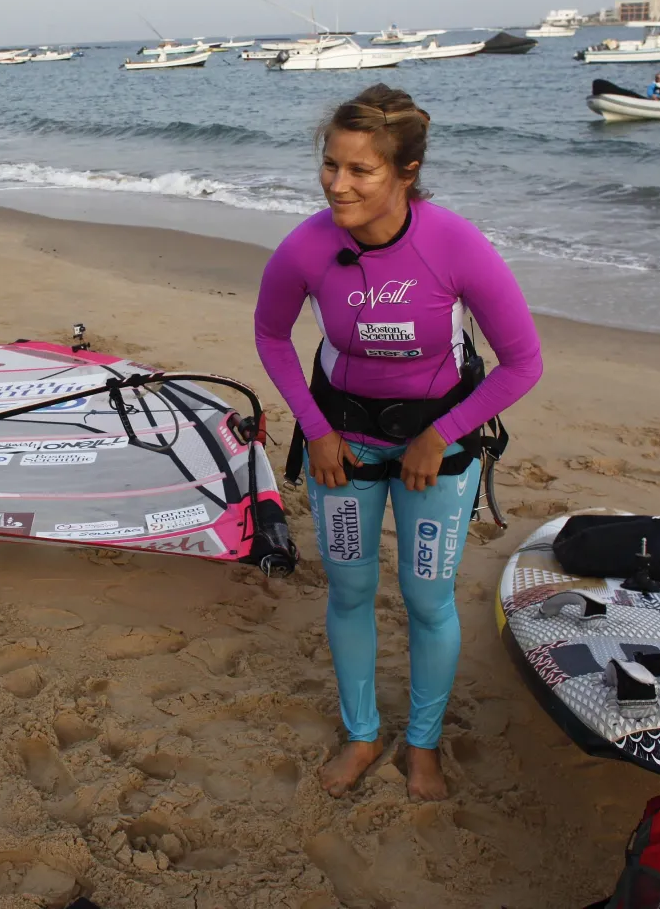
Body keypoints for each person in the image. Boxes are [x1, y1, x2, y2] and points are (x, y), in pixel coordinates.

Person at [254, 84, 542, 801]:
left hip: (436, 453)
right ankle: (361, 734)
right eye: (330, 165)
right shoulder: (307, 245)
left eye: (361, 170)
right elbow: (270, 335)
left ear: (406, 172)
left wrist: (440, 434)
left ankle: (423, 744)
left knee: (427, 598)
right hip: (343, 446)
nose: (337, 184)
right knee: (351, 590)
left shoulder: (454, 244)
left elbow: (523, 362)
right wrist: (316, 430)